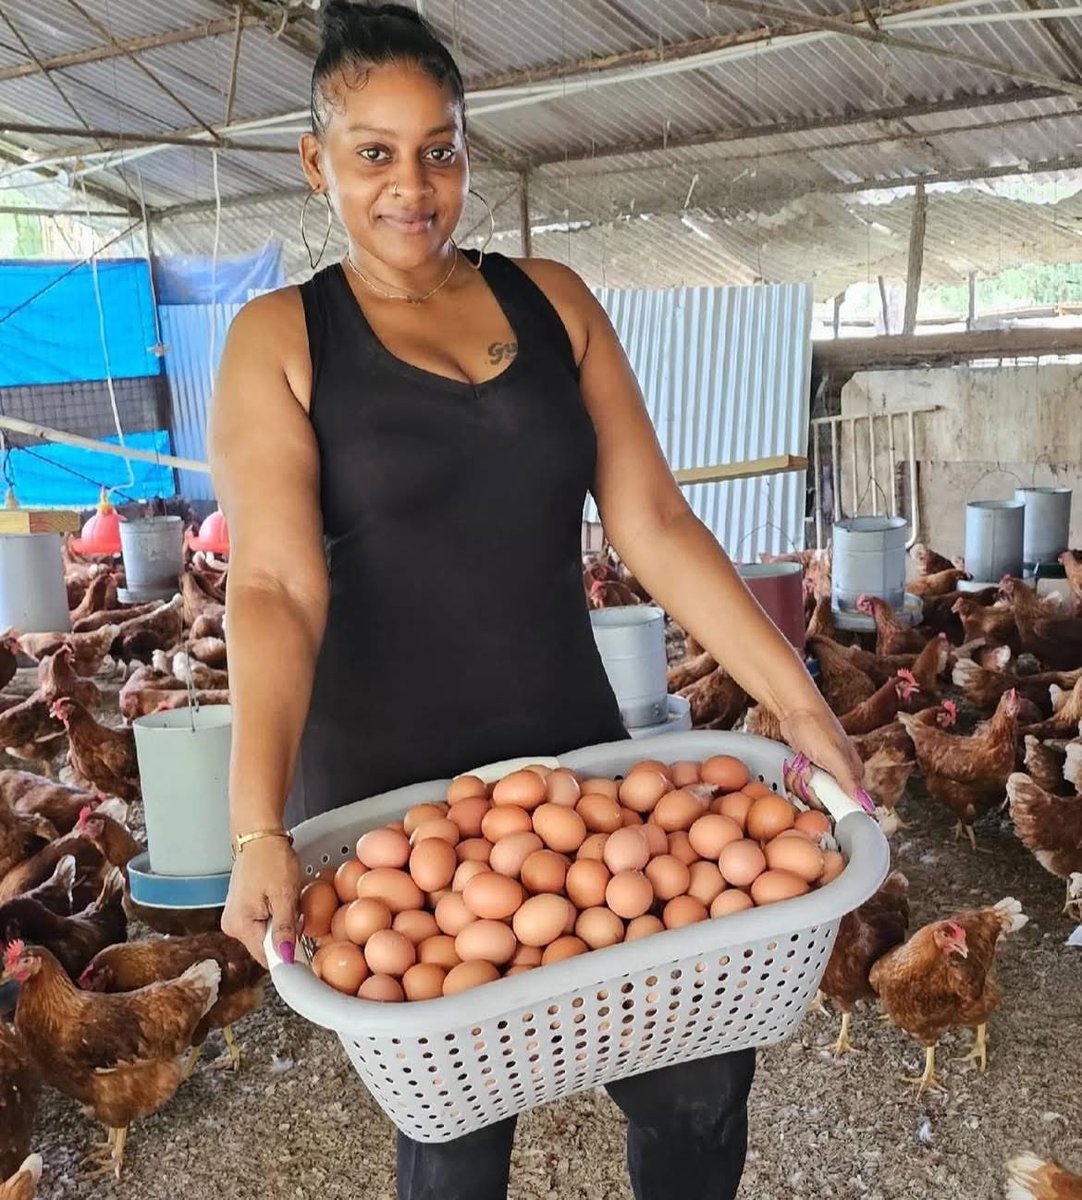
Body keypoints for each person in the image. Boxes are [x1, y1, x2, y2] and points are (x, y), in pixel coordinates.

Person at [210, 5, 864, 1199]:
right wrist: (255, 824)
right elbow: (271, 584)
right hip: (391, 786)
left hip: (567, 742)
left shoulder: (551, 301)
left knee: (696, 1070)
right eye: (373, 152)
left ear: (468, 151)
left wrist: (797, 698)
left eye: (440, 149)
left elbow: (654, 527)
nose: (413, 186)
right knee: (456, 1119)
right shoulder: (278, 339)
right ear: (315, 161)